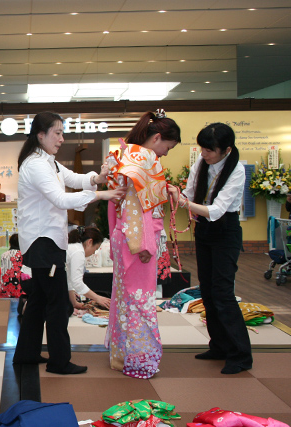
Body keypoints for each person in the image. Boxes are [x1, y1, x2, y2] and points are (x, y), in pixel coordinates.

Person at [12, 111, 125, 375]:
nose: (62, 139)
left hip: (45, 240)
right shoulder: (36, 164)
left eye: (63, 133)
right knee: (57, 304)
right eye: (57, 133)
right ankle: (59, 361)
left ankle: (26, 355)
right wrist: (102, 194)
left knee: (39, 300)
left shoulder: (47, 161)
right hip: (44, 242)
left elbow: (72, 178)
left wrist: (97, 178)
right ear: (40, 135)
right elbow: (61, 200)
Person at [170, 122, 252, 374]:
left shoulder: (237, 170)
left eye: (209, 150)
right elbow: (191, 191)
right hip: (204, 230)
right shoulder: (201, 164)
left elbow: (216, 211)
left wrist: (183, 202)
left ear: (226, 150)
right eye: (202, 149)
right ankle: (218, 345)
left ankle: (240, 355)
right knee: (207, 290)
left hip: (225, 230)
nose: (204, 154)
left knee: (223, 293)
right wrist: (175, 195)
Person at [105, 110, 180, 379]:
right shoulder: (148, 161)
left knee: (124, 297)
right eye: (167, 148)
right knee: (140, 299)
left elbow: (117, 202)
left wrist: (120, 234)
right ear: (157, 137)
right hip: (138, 239)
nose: (165, 155)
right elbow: (147, 212)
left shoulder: (123, 155)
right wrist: (147, 244)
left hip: (121, 234)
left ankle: (121, 355)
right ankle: (140, 360)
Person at [66, 227, 111, 312]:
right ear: (89, 242)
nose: (94, 253)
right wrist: (98, 298)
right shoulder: (78, 251)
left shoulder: (74, 248)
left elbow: (70, 280)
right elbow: (77, 283)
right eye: (95, 248)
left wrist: (74, 303)